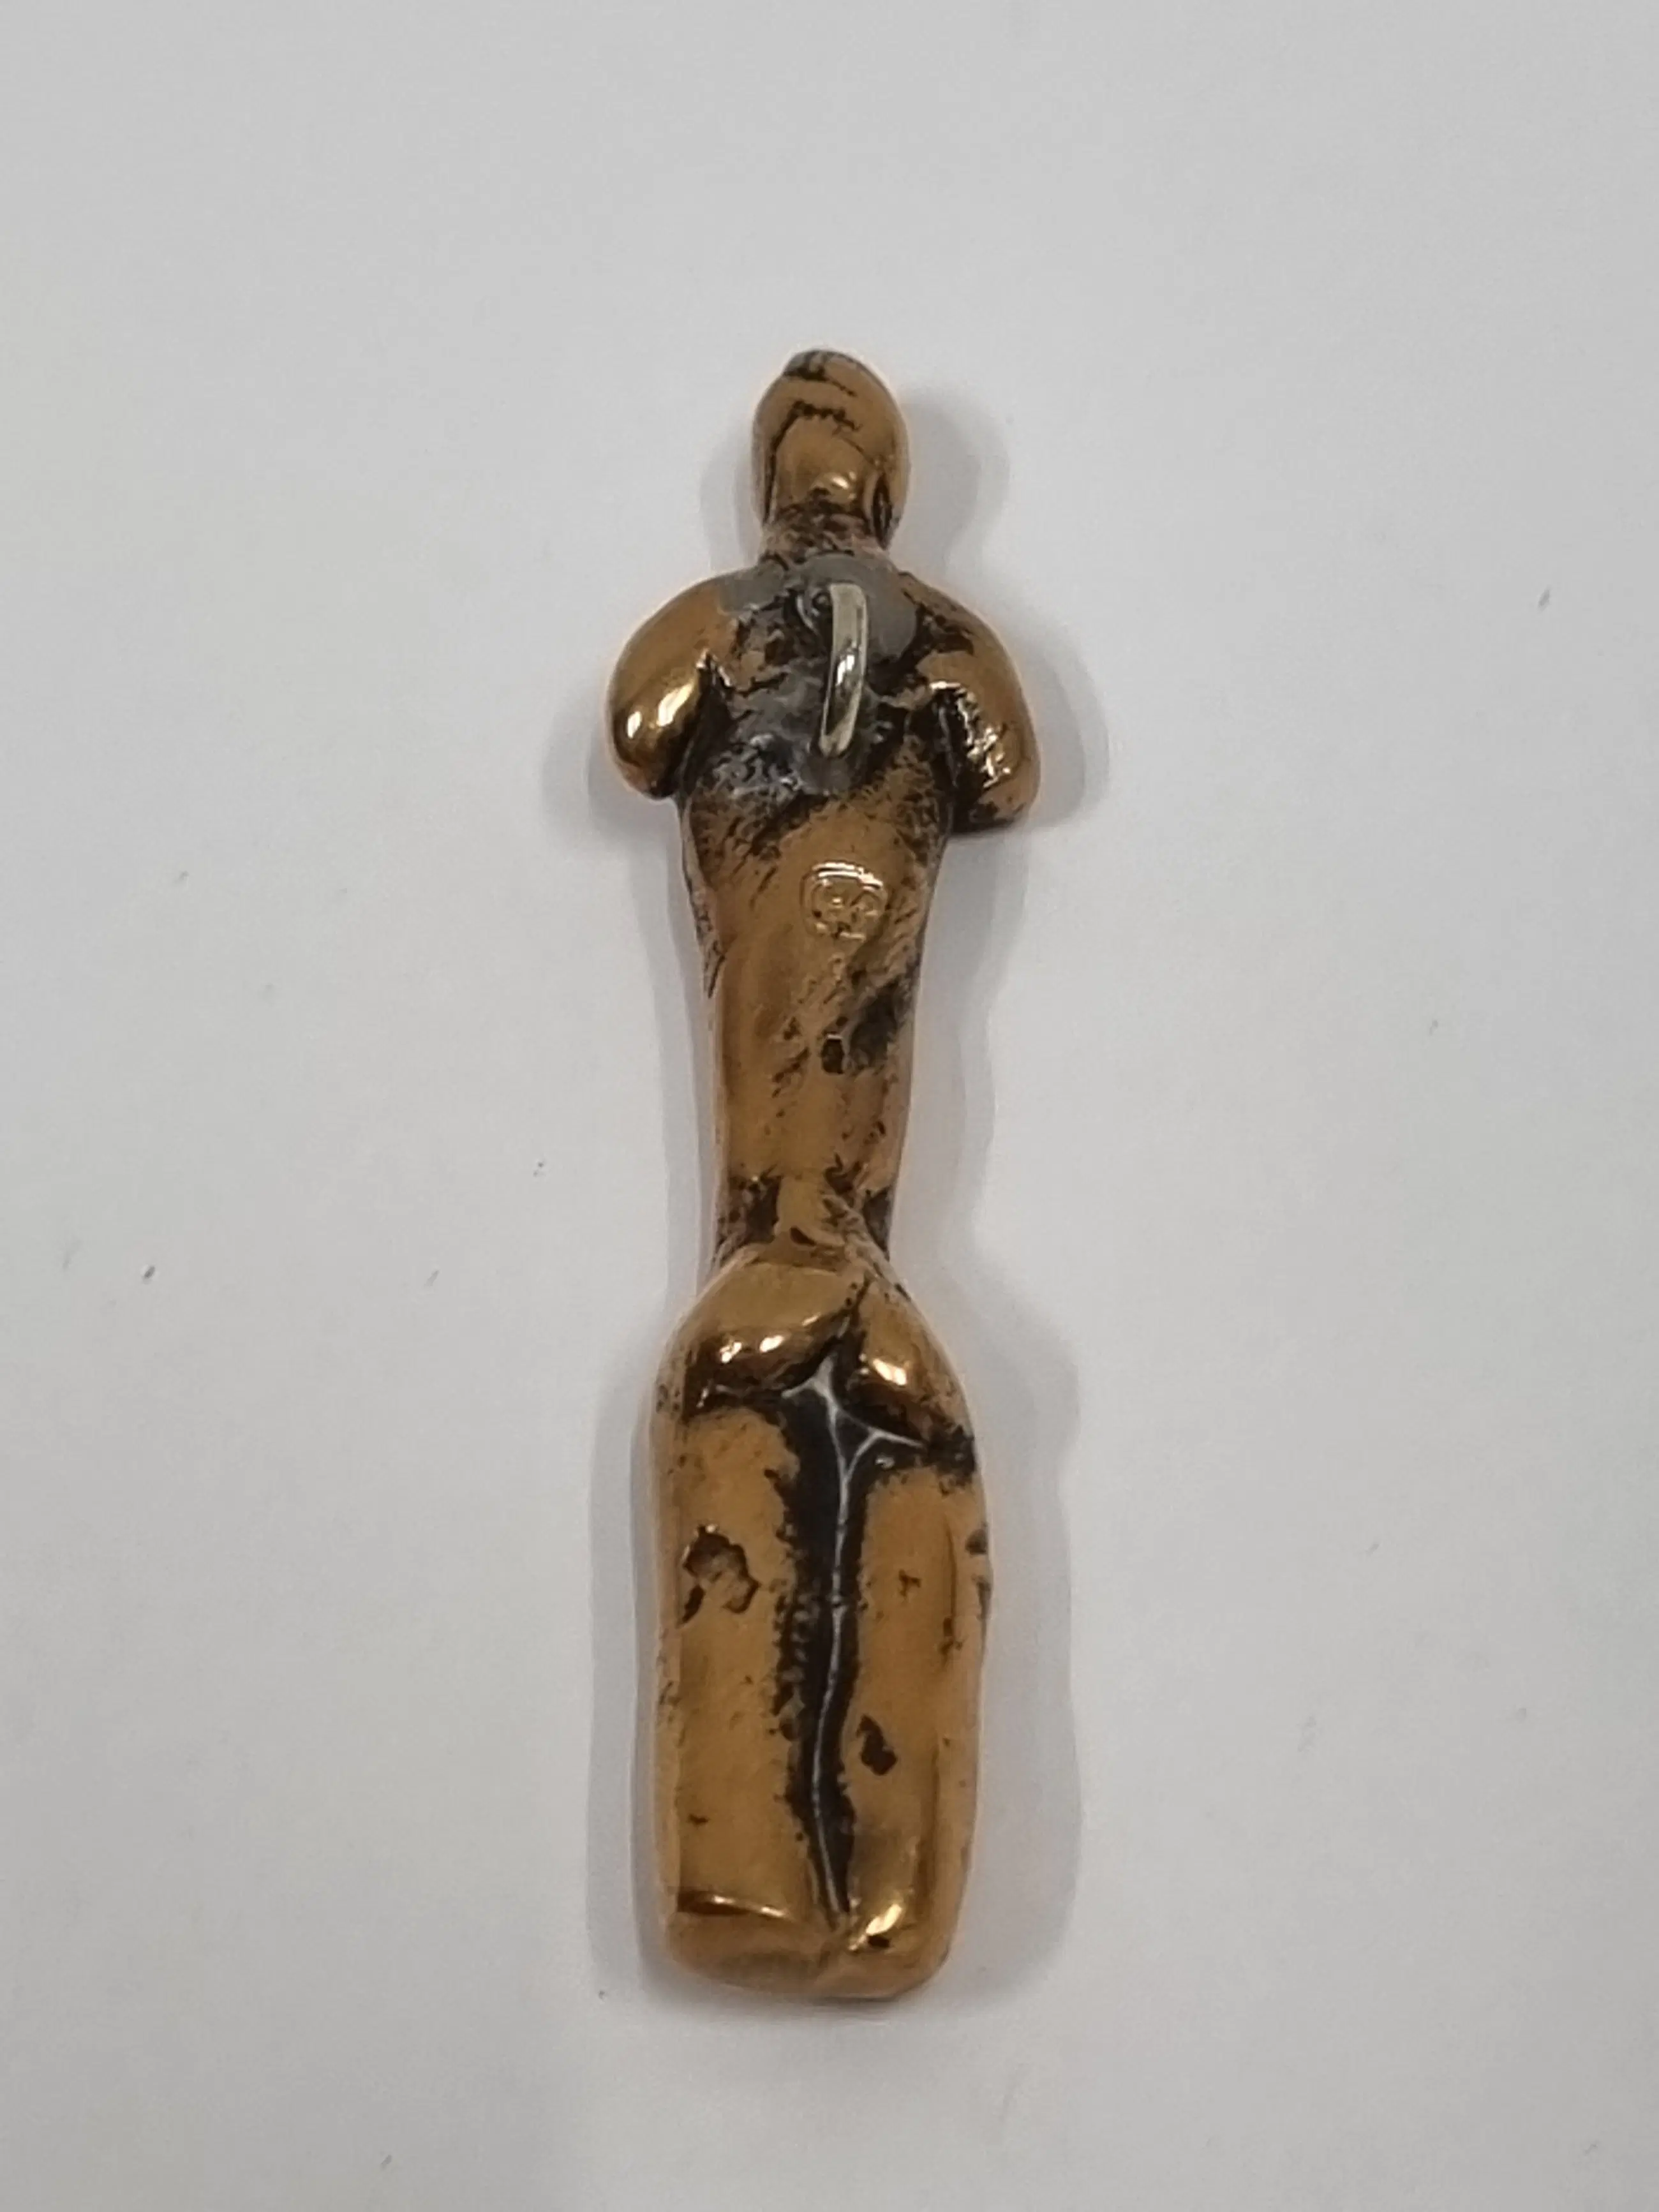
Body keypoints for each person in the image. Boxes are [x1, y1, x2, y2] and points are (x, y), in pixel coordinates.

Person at [608, 350, 1037, 1996]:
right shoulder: (935, 637)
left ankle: (763, 1874)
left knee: (778, 1278)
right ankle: (849, 1894)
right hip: (846, 1211)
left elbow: (639, 733)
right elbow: (1006, 772)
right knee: (819, 1253)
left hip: (786, 1206)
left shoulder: (730, 622)